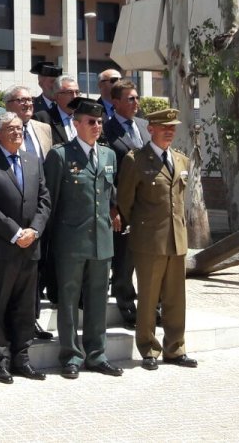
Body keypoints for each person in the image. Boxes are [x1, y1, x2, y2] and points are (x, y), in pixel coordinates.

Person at [44, 97, 122, 379]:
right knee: (68, 301)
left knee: (98, 299)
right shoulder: (60, 155)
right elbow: (49, 202)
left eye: (100, 122)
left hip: (102, 241)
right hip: (70, 242)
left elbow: (110, 197)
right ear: (76, 125)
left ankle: (97, 354)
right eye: (91, 122)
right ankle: (70, 356)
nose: (97, 126)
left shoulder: (109, 155)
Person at [116, 104, 198, 370]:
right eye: (163, 128)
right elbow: (126, 201)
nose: (168, 133)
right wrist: (140, 226)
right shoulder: (135, 160)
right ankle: (149, 349)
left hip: (177, 239)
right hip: (149, 240)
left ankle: (176, 348)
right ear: (150, 129)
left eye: (172, 128)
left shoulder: (182, 159)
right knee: (149, 297)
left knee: (176, 298)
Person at [0, 111, 51, 383]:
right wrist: (15, 233)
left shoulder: (32, 161)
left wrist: (35, 230)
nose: (17, 132)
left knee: (25, 308)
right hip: (2, 248)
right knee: (0, 306)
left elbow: (44, 200)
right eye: (10, 129)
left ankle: (22, 358)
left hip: (31, 247)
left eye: (19, 128)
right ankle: (0, 361)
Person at [3, 85, 55, 337]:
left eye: (29, 99)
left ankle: (32, 319)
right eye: (20, 100)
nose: (27, 104)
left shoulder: (43, 128)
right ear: (8, 104)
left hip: (40, 212)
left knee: (37, 270)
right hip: (11, 217)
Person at [102, 79, 149, 328]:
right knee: (124, 261)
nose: (136, 103)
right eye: (130, 98)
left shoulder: (144, 126)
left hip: (150, 205)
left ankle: (154, 306)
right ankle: (127, 307)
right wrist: (113, 207)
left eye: (137, 97)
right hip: (124, 205)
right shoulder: (105, 131)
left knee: (151, 258)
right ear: (115, 102)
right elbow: (107, 173)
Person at [34, 75, 81, 145]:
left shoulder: (85, 117)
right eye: (69, 92)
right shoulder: (42, 119)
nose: (75, 97)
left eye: (77, 92)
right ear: (57, 96)